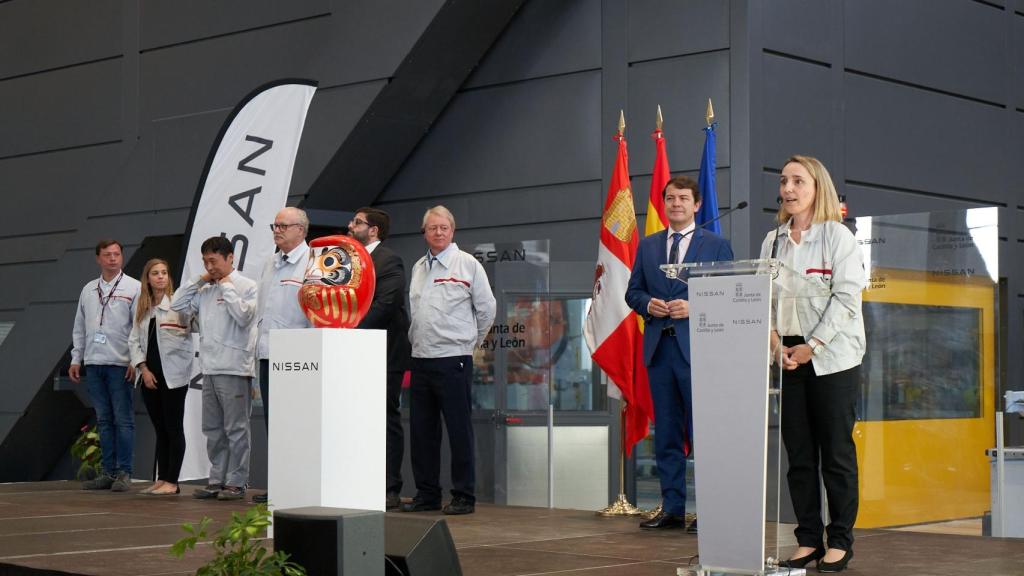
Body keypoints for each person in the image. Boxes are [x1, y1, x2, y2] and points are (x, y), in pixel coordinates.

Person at [761, 155, 864, 573]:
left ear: (816, 187)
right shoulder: (772, 241)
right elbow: (761, 298)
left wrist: (813, 345)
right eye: (784, 181)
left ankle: (840, 539)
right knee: (799, 454)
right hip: (786, 357)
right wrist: (774, 342)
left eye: (798, 181)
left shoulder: (838, 237)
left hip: (833, 358)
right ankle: (808, 538)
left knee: (835, 453)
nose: (788, 189)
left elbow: (846, 298)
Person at [625, 176, 734, 531]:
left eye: (683, 199)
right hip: (660, 351)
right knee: (668, 433)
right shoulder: (649, 246)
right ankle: (672, 508)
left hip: (699, 351)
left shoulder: (717, 245)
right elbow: (633, 292)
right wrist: (648, 305)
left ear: (697, 205)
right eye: (670, 198)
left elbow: (731, 295)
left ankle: (712, 511)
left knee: (704, 434)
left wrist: (695, 305)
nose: (676, 204)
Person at [402, 205, 495, 515]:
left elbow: (486, 309)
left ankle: (463, 496)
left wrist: (470, 343)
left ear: (452, 231)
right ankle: (427, 494)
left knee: (458, 430)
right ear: (425, 232)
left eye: (443, 227)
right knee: (422, 432)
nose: (438, 233)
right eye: (432, 228)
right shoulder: (418, 267)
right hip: (421, 358)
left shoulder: (467, 264)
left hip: (453, 359)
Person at [171, 236, 259, 501]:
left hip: (234, 367)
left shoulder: (247, 285)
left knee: (236, 428)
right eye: (206, 261)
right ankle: (216, 478)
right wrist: (199, 280)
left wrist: (227, 286)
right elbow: (176, 306)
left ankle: (237, 481)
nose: (210, 266)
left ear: (230, 257)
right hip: (208, 368)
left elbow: (244, 317)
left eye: (214, 260)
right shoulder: (205, 288)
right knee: (213, 429)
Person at [349, 207, 412, 511]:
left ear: (373, 230)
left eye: (357, 222)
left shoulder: (388, 259)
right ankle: (359, 482)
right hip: (353, 354)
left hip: (384, 353)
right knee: (358, 419)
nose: (350, 226)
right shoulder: (349, 259)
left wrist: (349, 329)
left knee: (386, 419)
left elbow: (387, 304)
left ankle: (390, 488)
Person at [70, 240, 141, 492]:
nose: (112, 258)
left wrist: (136, 360)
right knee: (104, 419)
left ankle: (124, 472)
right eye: (107, 255)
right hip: (94, 362)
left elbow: (139, 327)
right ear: (98, 258)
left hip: (121, 363)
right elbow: (80, 326)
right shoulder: (89, 289)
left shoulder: (134, 287)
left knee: (123, 420)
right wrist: (76, 358)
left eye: (116, 254)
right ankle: (108, 472)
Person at [252, 207, 311, 503]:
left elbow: (316, 314)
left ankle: (300, 486)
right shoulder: (269, 263)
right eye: (274, 225)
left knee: (297, 424)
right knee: (274, 424)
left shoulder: (312, 264)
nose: (277, 230)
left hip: (299, 357)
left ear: (301, 230)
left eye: (283, 226)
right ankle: (280, 486)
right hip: (267, 354)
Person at [127, 259, 194, 496]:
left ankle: (172, 482)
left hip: (174, 376)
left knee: (173, 427)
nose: (160, 277)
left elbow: (193, 329)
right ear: (147, 278)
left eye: (164, 273)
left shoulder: (179, 304)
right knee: (160, 428)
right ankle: (162, 478)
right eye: (155, 273)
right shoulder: (143, 307)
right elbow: (134, 341)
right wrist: (142, 369)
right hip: (149, 376)